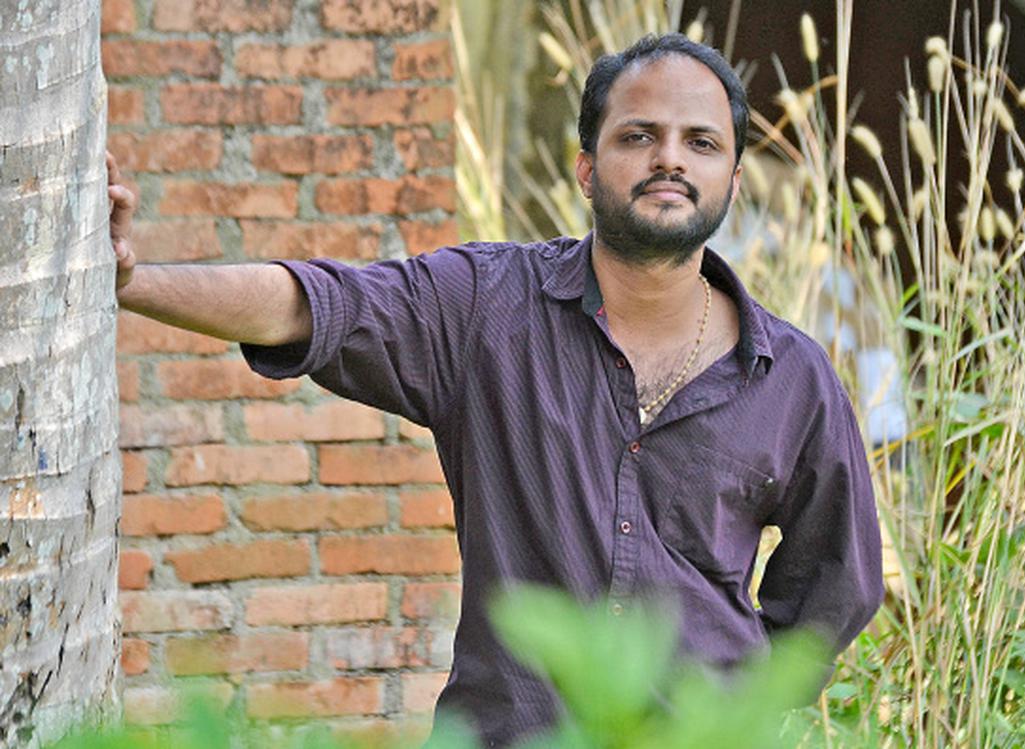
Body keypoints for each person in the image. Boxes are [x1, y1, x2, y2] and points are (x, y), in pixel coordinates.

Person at [108, 33, 884, 748]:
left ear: (733, 180)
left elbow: (836, 584)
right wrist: (134, 279)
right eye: (638, 136)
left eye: (701, 142)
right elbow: (313, 304)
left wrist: (738, 708)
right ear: (587, 168)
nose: (670, 159)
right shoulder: (486, 307)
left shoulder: (794, 379)